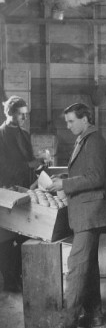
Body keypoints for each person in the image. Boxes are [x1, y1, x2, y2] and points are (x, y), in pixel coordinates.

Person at [43, 103, 106, 328]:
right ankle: (94, 314)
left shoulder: (93, 140)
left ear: (85, 119)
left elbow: (95, 177)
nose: (68, 126)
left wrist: (64, 185)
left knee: (76, 268)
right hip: (86, 211)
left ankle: (65, 323)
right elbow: (87, 172)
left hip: (90, 212)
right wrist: (65, 178)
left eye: (71, 121)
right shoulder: (84, 138)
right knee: (88, 266)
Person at [0, 96, 43, 292]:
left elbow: (29, 161)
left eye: (26, 114)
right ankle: (10, 281)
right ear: (9, 113)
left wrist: (39, 163)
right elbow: (4, 167)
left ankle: (22, 277)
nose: (25, 118)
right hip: (7, 192)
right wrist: (29, 164)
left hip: (27, 191)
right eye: (20, 114)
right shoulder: (1, 135)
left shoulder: (25, 134)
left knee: (27, 236)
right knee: (6, 240)